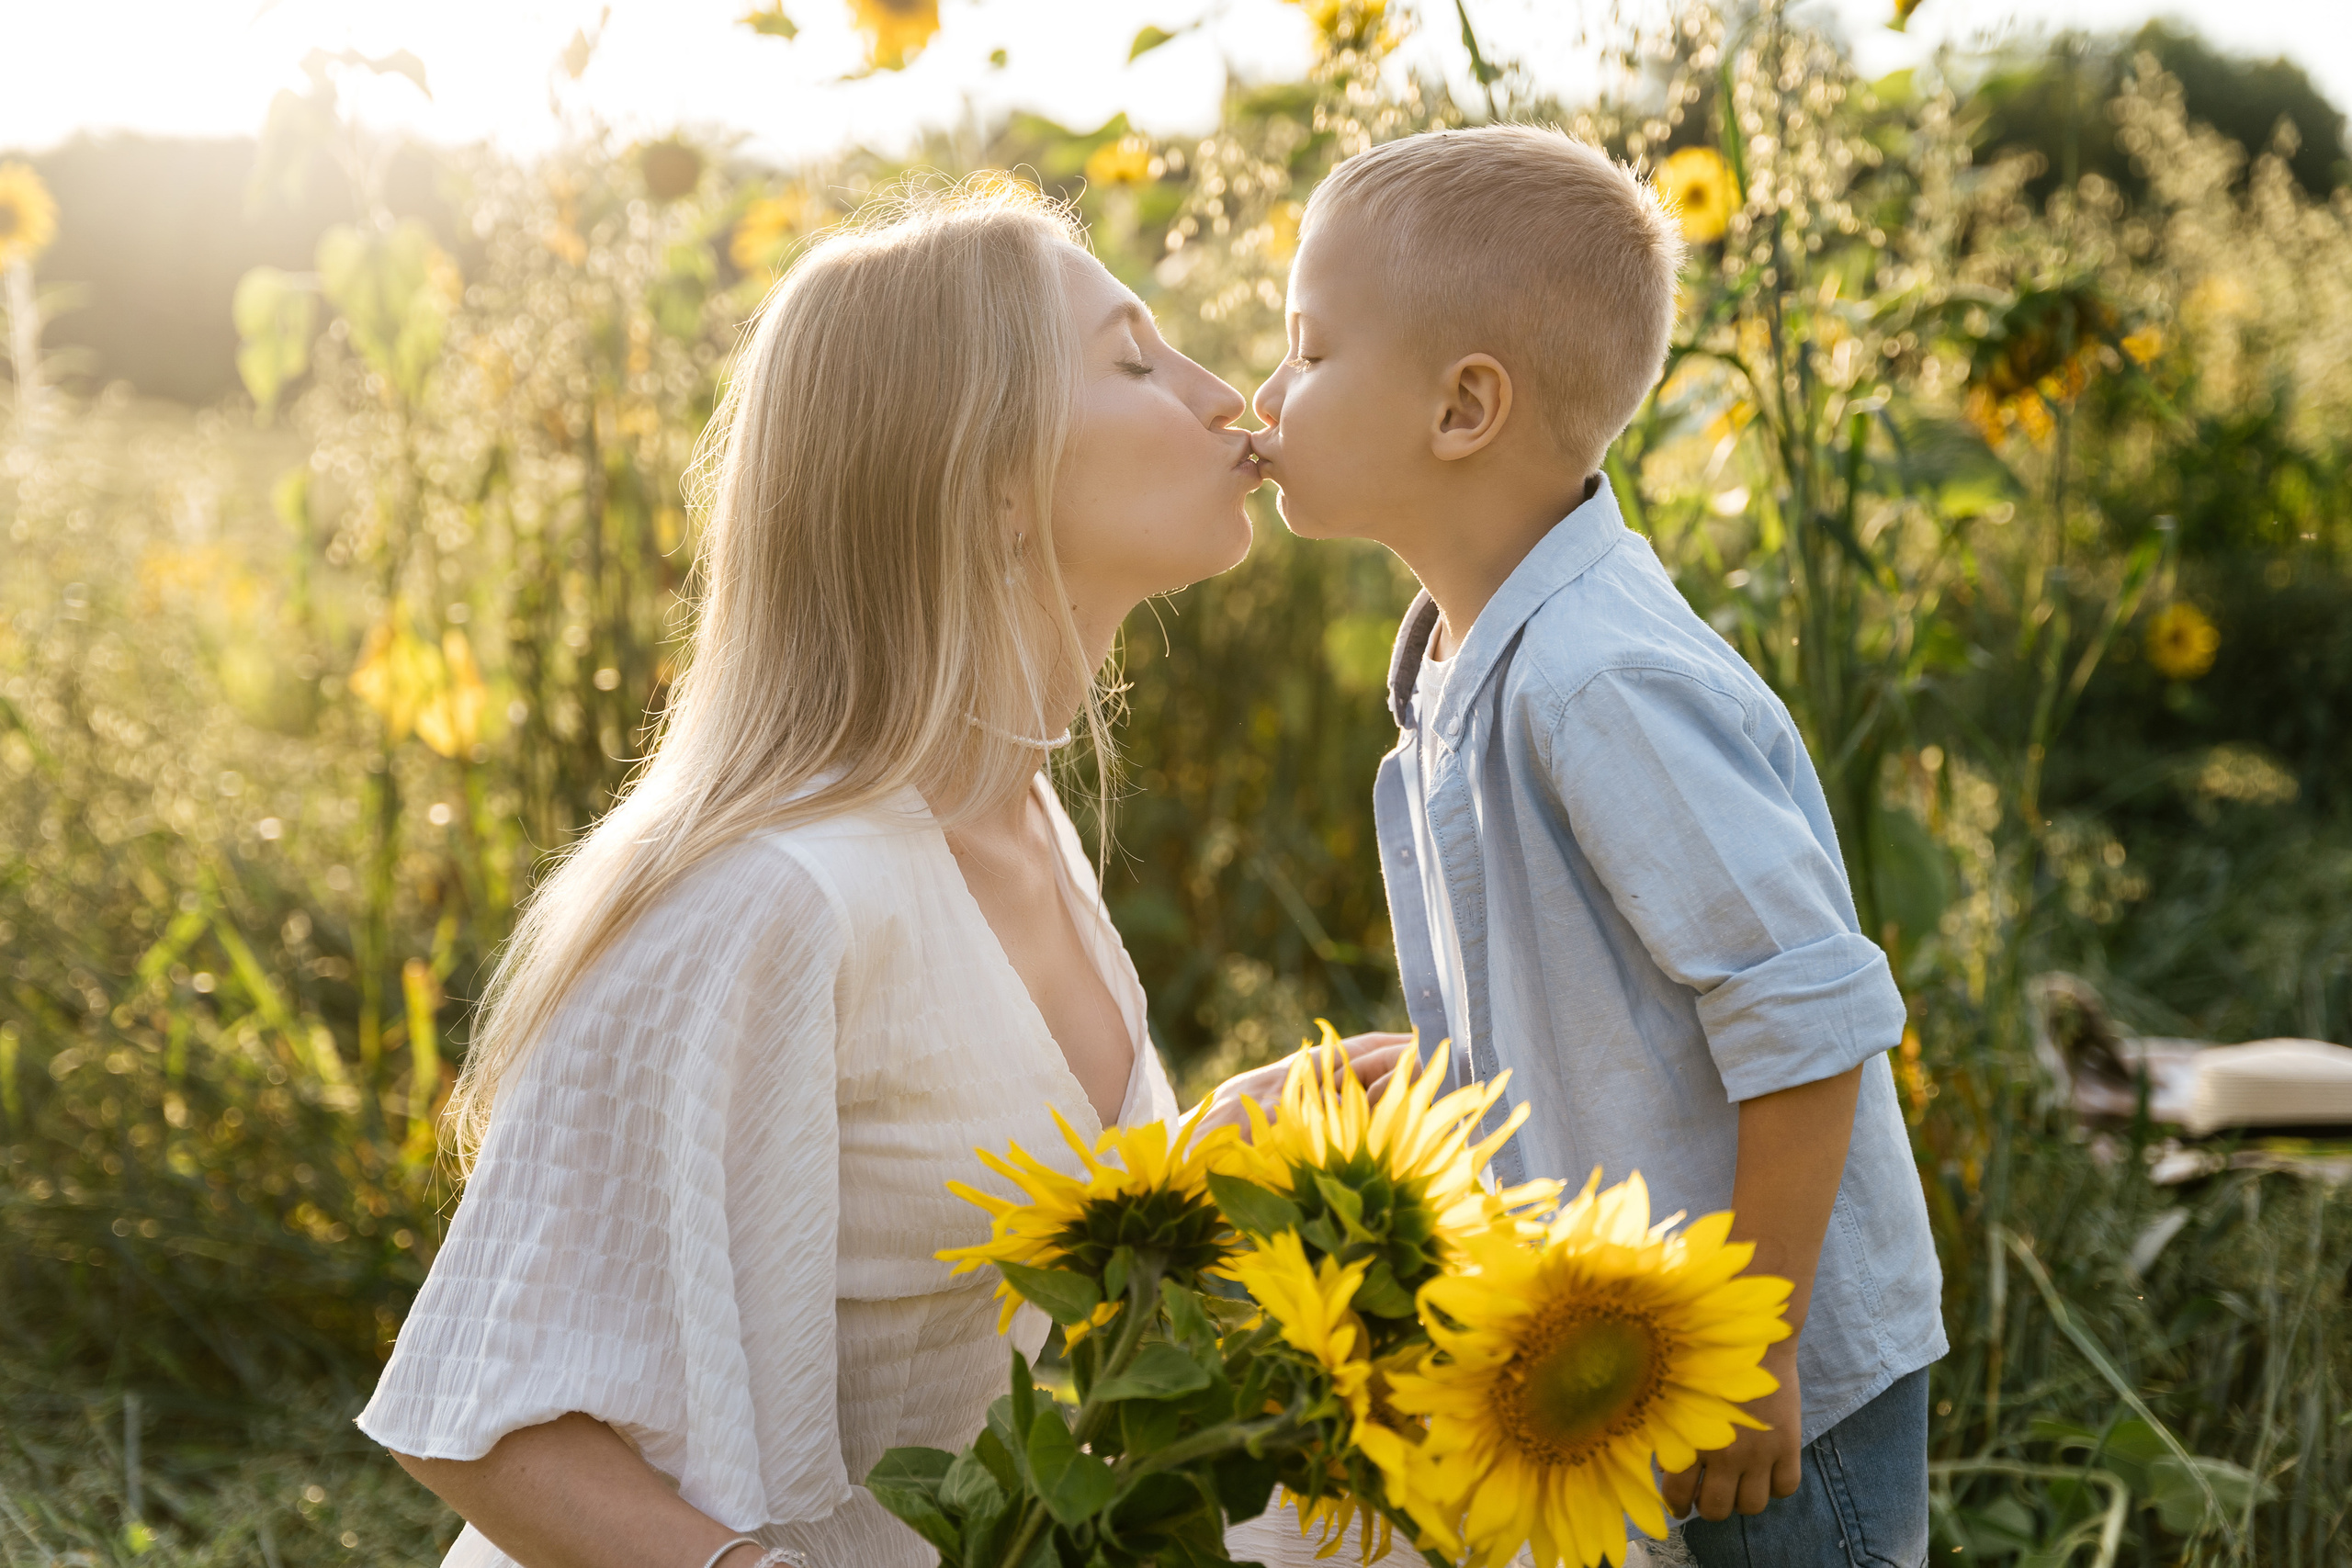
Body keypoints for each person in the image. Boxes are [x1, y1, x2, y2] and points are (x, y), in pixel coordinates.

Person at [356, 179, 1405, 1568]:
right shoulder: (768, 895)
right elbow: (483, 1419)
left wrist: (1192, 1169)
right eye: (1136, 362)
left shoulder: (1012, 814)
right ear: (987, 478)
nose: (1231, 400)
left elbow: (950, 1248)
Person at [1247, 126, 1947, 1568]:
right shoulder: (1463, 669)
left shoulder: (1594, 681)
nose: (1266, 396)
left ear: (1463, 408)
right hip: (1644, 1356)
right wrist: (1441, 1073)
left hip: (1776, 1377)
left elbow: (1808, 1020)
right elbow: (1618, 984)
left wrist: (1750, 1347)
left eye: (1308, 353)